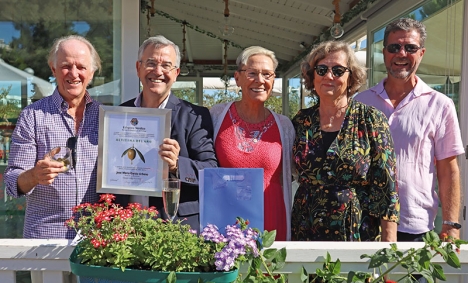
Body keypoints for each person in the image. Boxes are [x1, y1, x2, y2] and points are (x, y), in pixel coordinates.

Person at [355, 18, 464, 242]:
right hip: (365, 222)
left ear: (421, 53)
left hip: (414, 225)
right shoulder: (360, 102)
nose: (401, 54)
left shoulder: (440, 104)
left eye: (410, 48)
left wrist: (451, 224)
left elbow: (448, 169)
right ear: (384, 53)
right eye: (394, 47)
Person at [291, 40, 399, 242]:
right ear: (312, 76)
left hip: (354, 230)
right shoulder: (301, 121)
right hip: (305, 229)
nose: (329, 76)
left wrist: (388, 248)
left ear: (351, 78)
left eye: (338, 70)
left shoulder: (370, 119)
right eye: (321, 69)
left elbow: (387, 187)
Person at [116, 35, 218, 232]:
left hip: (176, 228)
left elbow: (211, 170)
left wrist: (177, 165)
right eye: (151, 63)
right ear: (138, 68)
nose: (158, 71)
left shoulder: (195, 116)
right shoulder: (119, 115)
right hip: (126, 226)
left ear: (176, 72)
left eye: (166, 66)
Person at [4, 35, 101, 240]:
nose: (74, 73)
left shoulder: (107, 117)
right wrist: (34, 175)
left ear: (91, 73)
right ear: (53, 69)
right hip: (45, 237)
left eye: (81, 67)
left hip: (97, 241)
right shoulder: (33, 116)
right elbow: (12, 182)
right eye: (66, 65)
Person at [210, 46, 295, 241]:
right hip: (226, 223)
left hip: (272, 224)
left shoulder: (284, 126)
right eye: (252, 73)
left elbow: (294, 173)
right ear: (237, 78)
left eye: (267, 74)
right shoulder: (216, 116)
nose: (260, 80)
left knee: (270, 271)